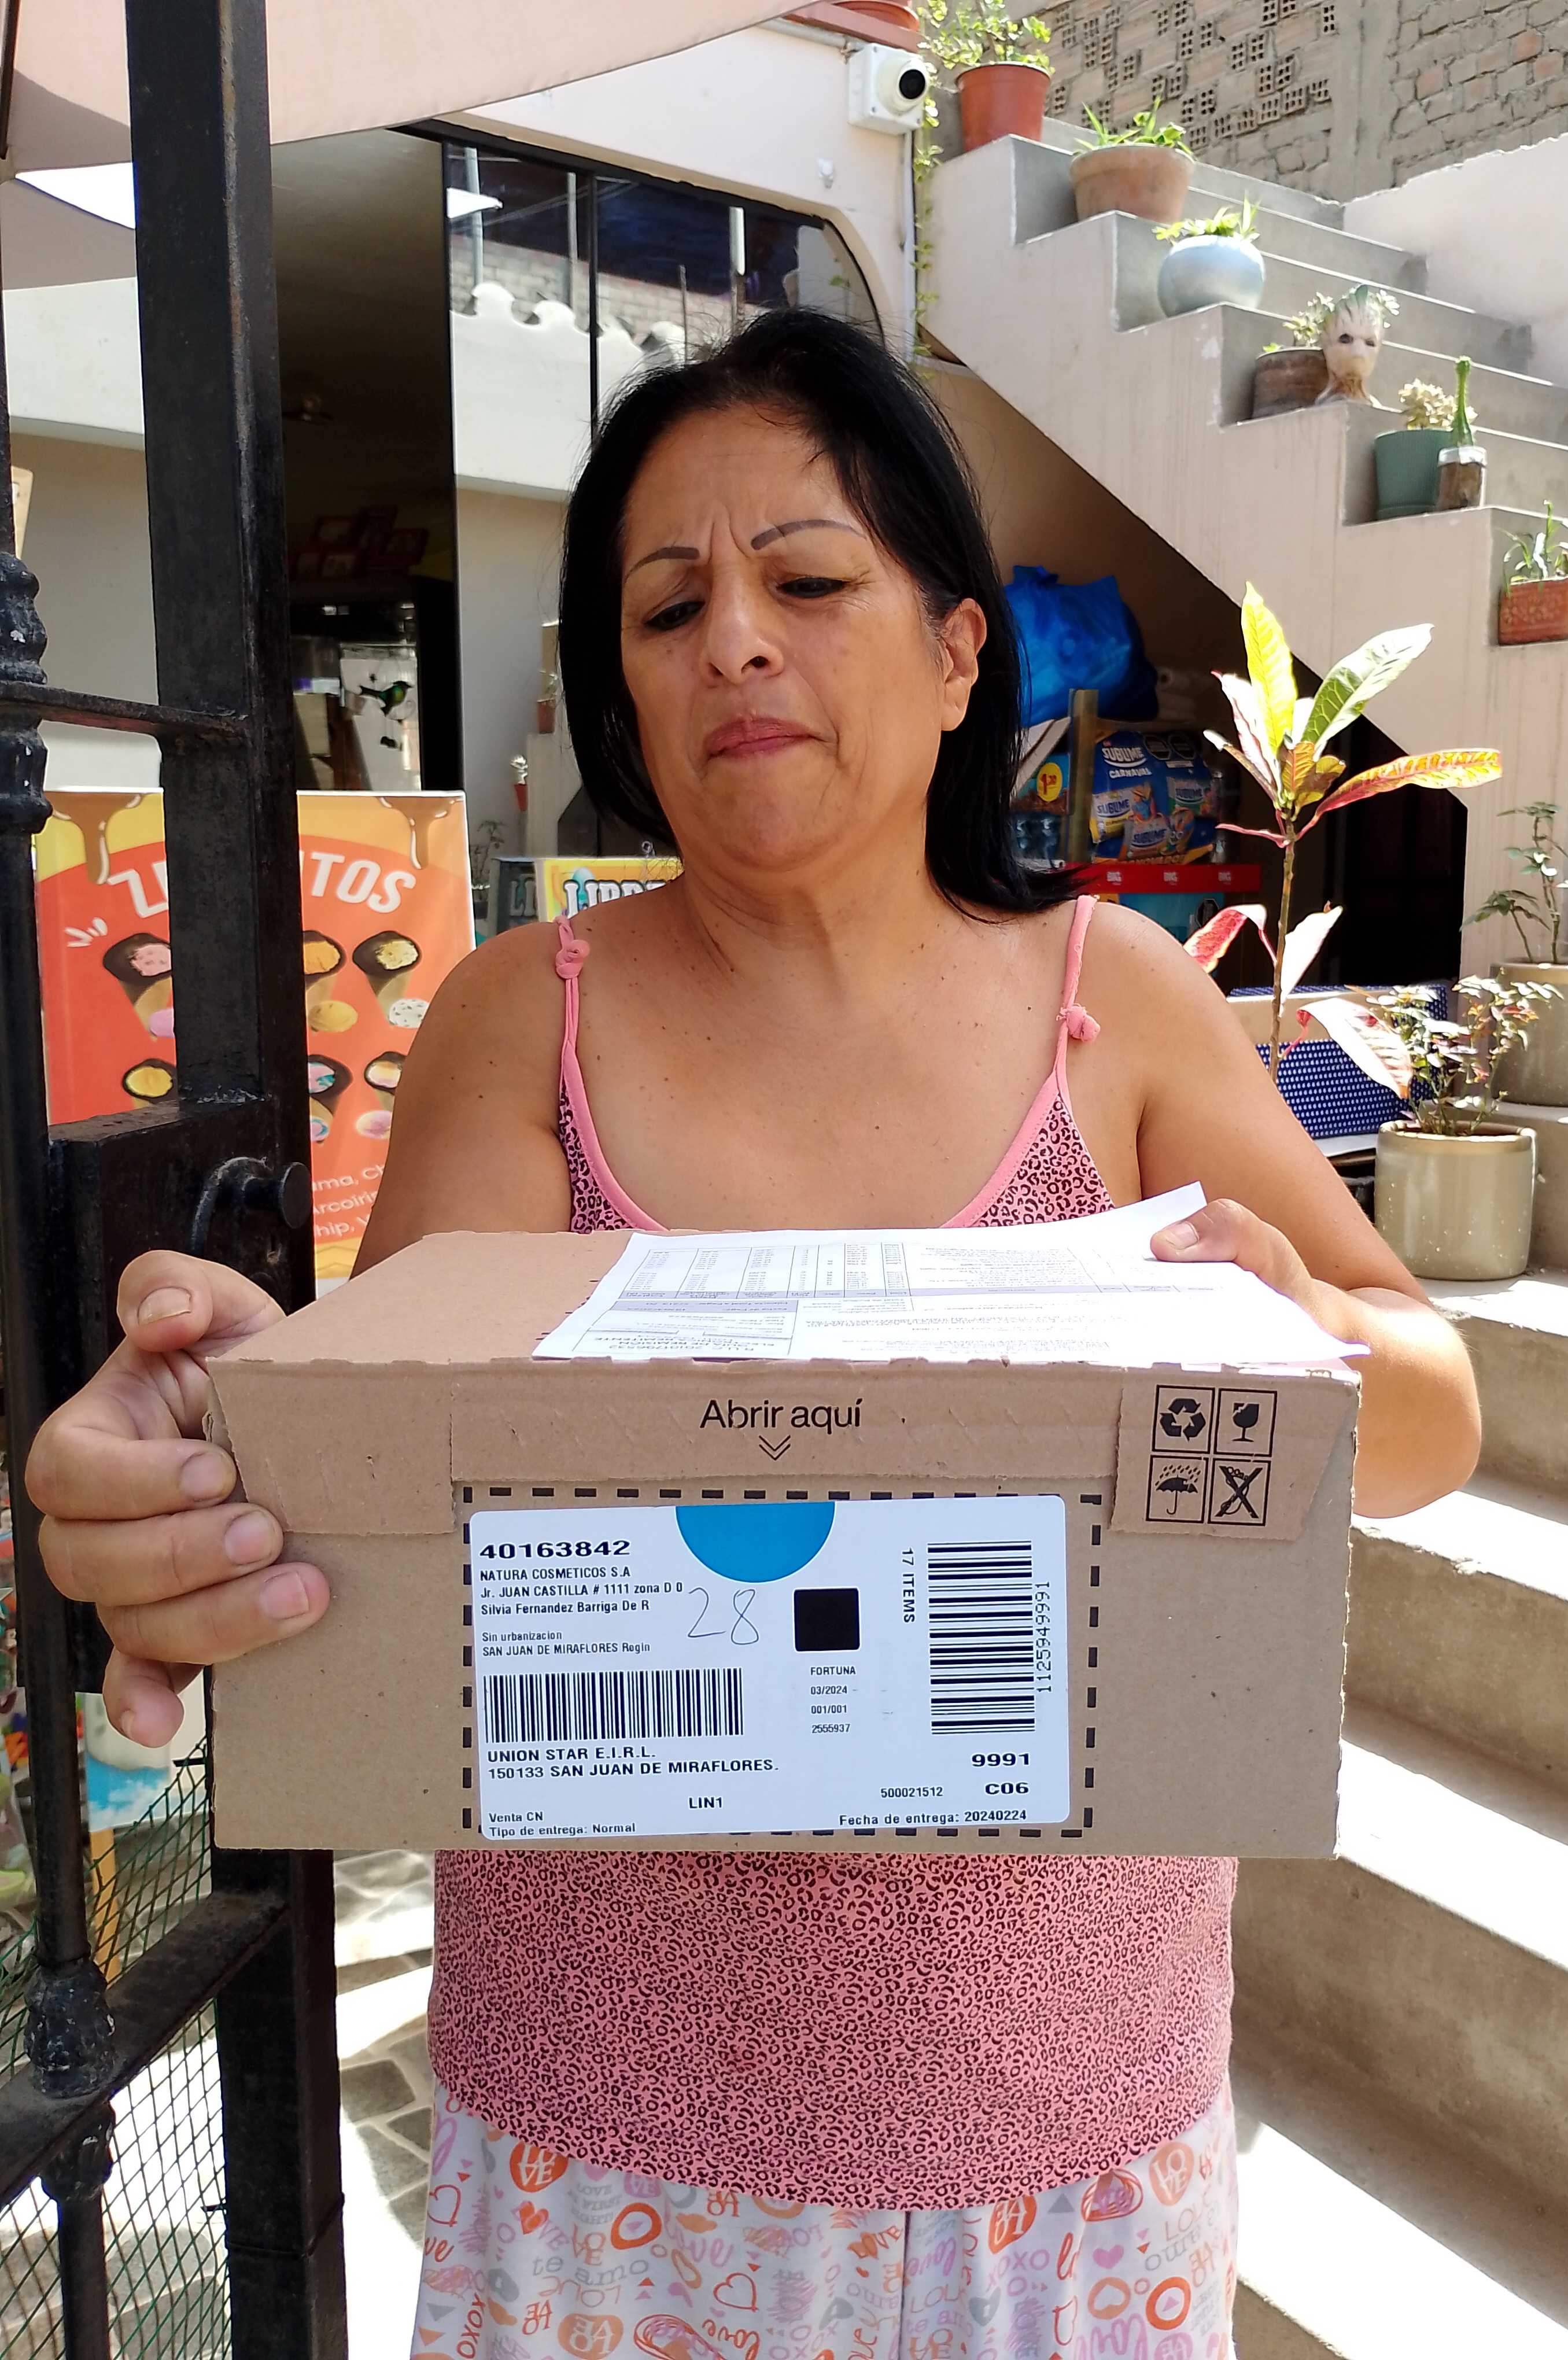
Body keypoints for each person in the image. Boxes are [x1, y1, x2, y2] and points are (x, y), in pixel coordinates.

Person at [28, 311, 1479, 2360]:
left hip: (1065, 2149)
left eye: (806, 582)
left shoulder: (1123, 1007)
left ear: (960, 650)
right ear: (622, 687)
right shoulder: (523, 1024)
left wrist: (1306, 1335)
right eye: (666, 607)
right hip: (605, 2151)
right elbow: (390, 1509)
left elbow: (1430, 1418)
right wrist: (217, 1475)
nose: (732, 644)